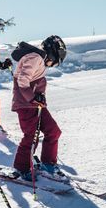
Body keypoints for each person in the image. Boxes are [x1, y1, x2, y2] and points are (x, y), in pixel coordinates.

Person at [9, 35, 67, 182]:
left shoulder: (38, 59)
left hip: (35, 105)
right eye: (54, 62)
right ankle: (21, 168)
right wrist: (32, 97)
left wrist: (38, 97)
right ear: (52, 52)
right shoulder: (35, 57)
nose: (52, 65)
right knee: (31, 136)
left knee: (53, 131)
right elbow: (23, 79)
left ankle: (48, 164)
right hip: (26, 105)